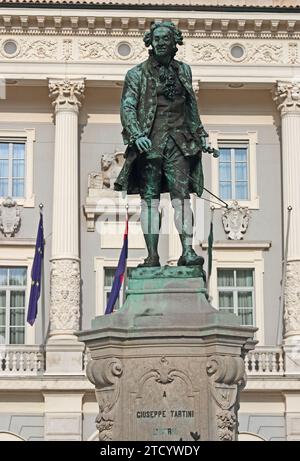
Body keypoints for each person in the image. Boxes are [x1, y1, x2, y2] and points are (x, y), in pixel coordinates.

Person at [115, 21, 212, 268]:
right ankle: (152, 256)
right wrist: (137, 135)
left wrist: (201, 136)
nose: (159, 43)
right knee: (150, 200)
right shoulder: (136, 74)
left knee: (182, 199)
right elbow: (127, 106)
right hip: (150, 145)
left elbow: (191, 106)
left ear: (174, 43)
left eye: (164, 39)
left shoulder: (184, 71)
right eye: (155, 39)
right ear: (150, 42)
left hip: (179, 143)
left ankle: (187, 251)